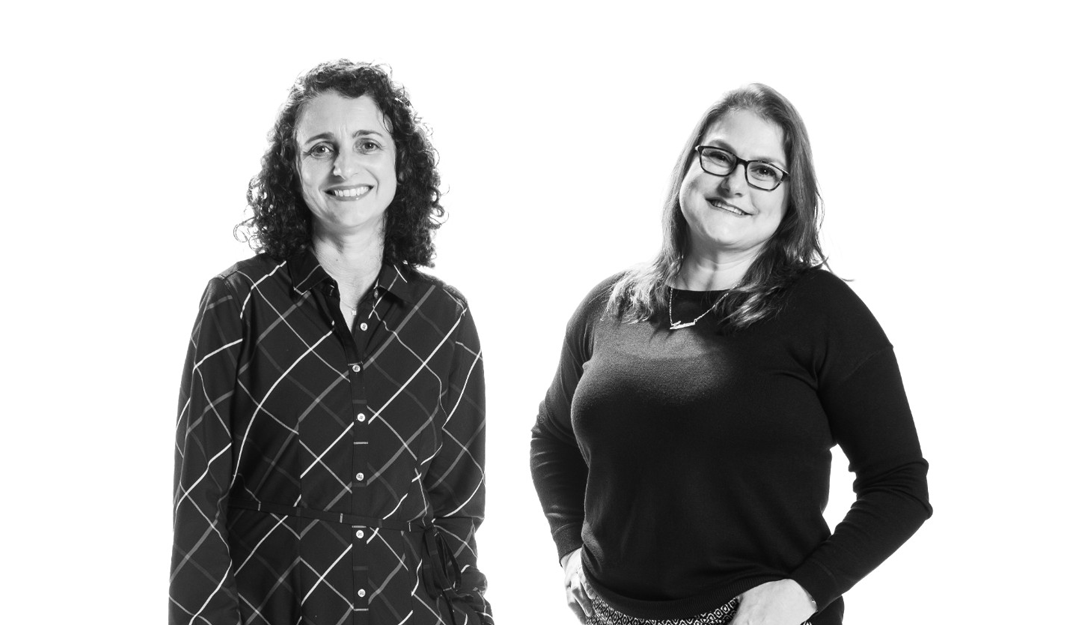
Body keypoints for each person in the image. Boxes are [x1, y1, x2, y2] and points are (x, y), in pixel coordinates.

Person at [530, 84, 931, 625]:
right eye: (719, 156)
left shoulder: (824, 312)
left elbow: (900, 484)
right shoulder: (609, 306)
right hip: (608, 615)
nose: (735, 183)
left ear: (791, 198)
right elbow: (550, 437)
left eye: (764, 170)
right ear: (688, 166)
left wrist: (806, 592)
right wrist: (566, 546)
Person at [170, 60, 492, 625]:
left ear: (400, 164)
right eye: (320, 148)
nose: (345, 166)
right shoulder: (239, 302)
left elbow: (455, 511)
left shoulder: (446, 318)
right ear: (292, 170)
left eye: (367, 143)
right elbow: (198, 504)